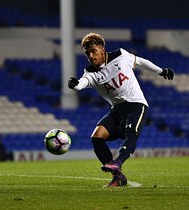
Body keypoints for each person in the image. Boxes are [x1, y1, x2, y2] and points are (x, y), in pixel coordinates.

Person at [68, 33, 174, 187]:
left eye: (93, 51)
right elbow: (81, 84)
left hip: (136, 105)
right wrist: (75, 84)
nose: (91, 56)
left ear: (102, 49)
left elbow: (141, 62)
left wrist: (161, 71)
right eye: (87, 53)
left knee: (131, 133)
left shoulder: (121, 55)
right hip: (117, 110)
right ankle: (118, 177)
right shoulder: (90, 73)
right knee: (97, 136)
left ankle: (117, 162)